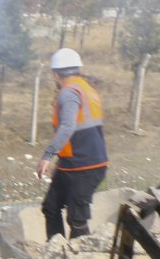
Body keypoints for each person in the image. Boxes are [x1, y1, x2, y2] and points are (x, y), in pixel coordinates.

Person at [37, 48, 108, 240]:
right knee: (51, 207)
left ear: (55, 74)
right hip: (74, 164)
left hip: (84, 166)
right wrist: (62, 161)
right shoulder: (87, 89)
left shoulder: (69, 93)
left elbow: (68, 126)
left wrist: (48, 155)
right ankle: (56, 253)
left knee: (77, 219)